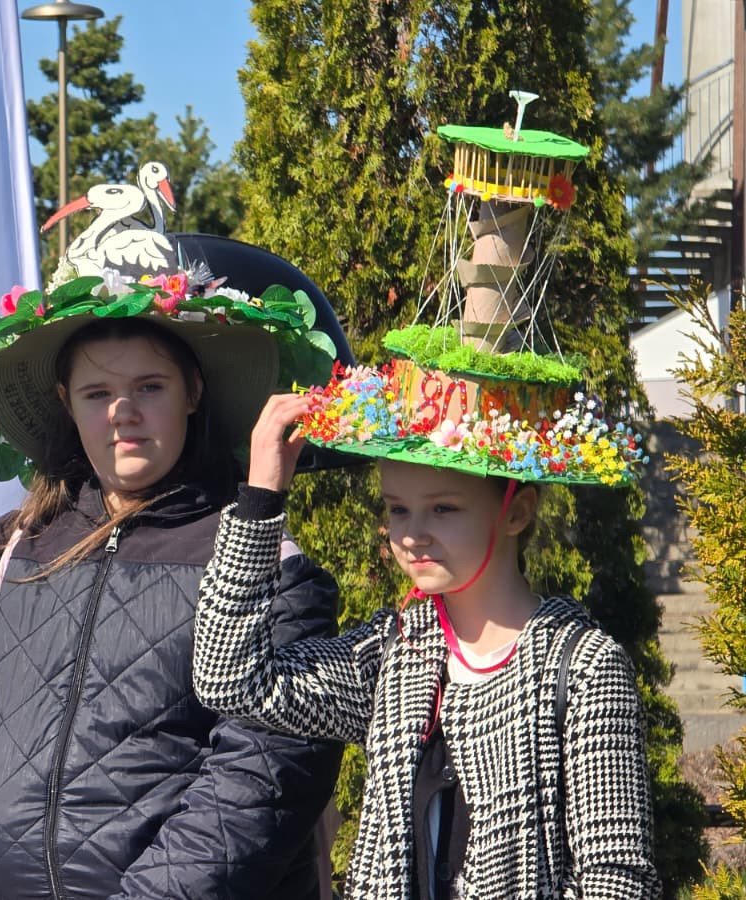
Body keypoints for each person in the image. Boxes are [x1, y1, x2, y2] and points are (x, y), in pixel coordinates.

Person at [0, 266, 345, 898]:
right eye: (96, 392)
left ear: (193, 391)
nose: (122, 413)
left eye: (149, 387)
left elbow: (263, 777)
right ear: (66, 403)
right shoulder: (6, 551)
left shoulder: (267, 562)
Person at [192, 373, 659, 898]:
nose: (413, 534)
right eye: (398, 509)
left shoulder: (584, 666)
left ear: (517, 512)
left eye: (443, 508)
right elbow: (230, 680)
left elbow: (619, 881)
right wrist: (260, 500)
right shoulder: (396, 652)